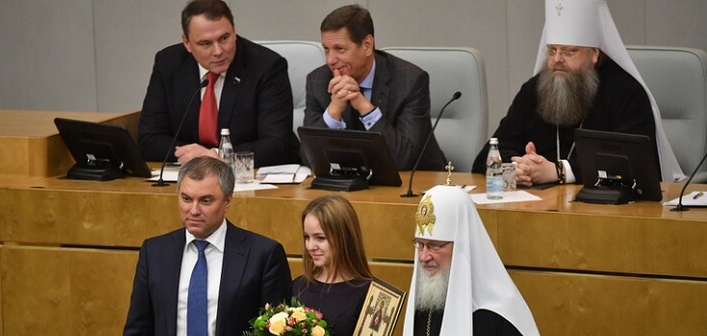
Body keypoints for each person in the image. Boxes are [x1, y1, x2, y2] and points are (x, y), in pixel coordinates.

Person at [117, 156, 292, 336]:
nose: (194, 210)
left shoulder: (262, 255)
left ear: (228, 201)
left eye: (206, 201)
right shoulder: (155, 252)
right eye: (186, 198)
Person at [472, 0, 683, 185]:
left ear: (594, 54)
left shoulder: (626, 93)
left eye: (568, 51)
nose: (557, 60)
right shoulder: (534, 90)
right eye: (552, 50)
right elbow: (487, 155)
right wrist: (516, 167)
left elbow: (633, 164)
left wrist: (560, 171)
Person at [389, 185, 553, 336]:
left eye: (435, 246)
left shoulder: (503, 323)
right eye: (420, 244)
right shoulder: (426, 305)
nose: (424, 256)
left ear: (463, 246)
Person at [138, 0, 300, 167]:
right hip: (190, 174)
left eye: (224, 38)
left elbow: (277, 144)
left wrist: (217, 156)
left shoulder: (266, 66)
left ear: (234, 31)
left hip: (249, 174)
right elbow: (149, 139)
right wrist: (194, 156)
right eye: (205, 44)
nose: (218, 51)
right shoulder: (168, 63)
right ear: (187, 43)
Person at [276, 195, 388, 336]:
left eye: (320, 238)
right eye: (307, 237)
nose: (311, 246)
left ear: (343, 238)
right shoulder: (299, 287)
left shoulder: (371, 293)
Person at [304, 4, 447, 171]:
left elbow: (403, 160)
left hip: (417, 181)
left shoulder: (410, 81)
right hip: (353, 182)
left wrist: (364, 107)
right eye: (326, 49)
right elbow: (307, 158)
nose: (330, 60)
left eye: (340, 49)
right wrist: (333, 113)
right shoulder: (318, 81)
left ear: (367, 45)